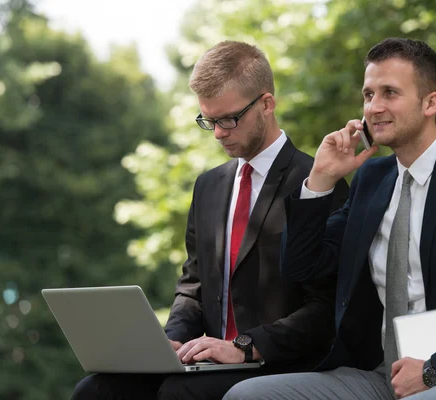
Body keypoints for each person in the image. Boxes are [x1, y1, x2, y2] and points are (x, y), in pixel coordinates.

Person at [224, 37, 436, 400]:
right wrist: (320, 179)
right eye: (368, 95)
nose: (374, 107)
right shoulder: (371, 180)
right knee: (247, 395)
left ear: (431, 102)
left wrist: (432, 370)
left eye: (389, 93)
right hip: (381, 375)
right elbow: (303, 267)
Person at [72, 40, 349, 400]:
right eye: (209, 121)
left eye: (229, 119)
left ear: (267, 104)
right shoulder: (209, 186)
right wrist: (171, 341)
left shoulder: (318, 182)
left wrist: (244, 347)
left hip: (280, 362)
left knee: (179, 393)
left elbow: (326, 308)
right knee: (96, 390)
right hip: (207, 363)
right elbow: (194, 285)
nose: (218, 133)